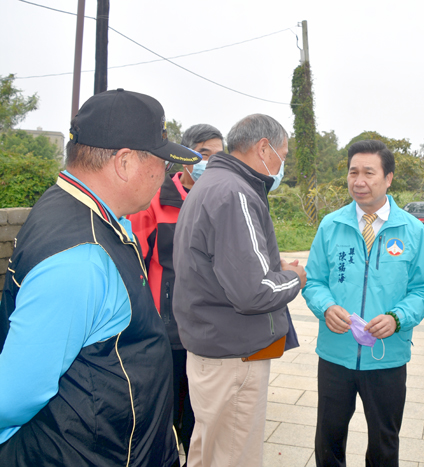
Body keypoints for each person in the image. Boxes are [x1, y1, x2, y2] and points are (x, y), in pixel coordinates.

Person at [0, 88, 202, 466]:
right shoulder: (80, 259)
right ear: (125, 162)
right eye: (160, 160)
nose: (165, 173)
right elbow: (13, 395)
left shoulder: (78, 211)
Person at [172, 114, 305, 467]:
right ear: (263, 148)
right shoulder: (236, 194)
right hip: (233, 355)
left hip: (211, 345)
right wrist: (297, 278)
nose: (282, 163)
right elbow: (255, 292)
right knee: (233, 456)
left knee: (210, 451)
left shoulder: (211, 184)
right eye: (283, 153)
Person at [302, 139, 424, 467]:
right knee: (328, 437)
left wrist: (397, 318)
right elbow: (314, 281)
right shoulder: (331, 225)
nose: (358, 181)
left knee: (384, 440)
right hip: (336, 353)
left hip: (387, 357)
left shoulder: (411, 230)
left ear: (388, 178)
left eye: (368, 173)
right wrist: (325, 306)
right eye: (353, 172)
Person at [127, 123, 224, 460]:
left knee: (200, 419)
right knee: (161, 415)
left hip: (207, 333)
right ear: (186, 159)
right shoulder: (154, 203)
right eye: (204, 154)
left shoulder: (222, 203)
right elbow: (133, 264)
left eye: (217, 156)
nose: (210, 163)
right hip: (164, 332)